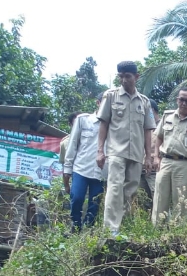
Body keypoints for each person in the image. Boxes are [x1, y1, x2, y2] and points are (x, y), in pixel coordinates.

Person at [97, 61, 155, 236]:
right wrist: (100, 150)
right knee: (115, 187)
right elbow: (103, 124)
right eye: (120, 76)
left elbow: (148, 130)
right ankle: (110, 229)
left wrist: (148, 156)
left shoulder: (144, 102)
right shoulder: (111, 96)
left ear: (136, 77)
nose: (123, 80)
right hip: (116, 151)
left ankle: (120, 225)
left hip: (136, 154)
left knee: (130, 190)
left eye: (127, 76)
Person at [151, 88, 187, 225]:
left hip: (184, 164)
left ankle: (178, 233)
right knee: (160, 198)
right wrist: (156, 157)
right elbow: (158, 137)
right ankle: (157, 231)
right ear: (177, 100)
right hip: (165, 161)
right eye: (181, 99)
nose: (184, 103)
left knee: (181, 199)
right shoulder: (167, 116)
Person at [62, 99, 106, 229]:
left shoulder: (114, 124)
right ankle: (75, 226)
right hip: (81, 168)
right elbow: (73, 145)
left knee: (95, 203)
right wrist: (67, 170)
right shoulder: (83, 120)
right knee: (76, 198)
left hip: (101, 171)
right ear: (98, 103)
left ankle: (88, 231)